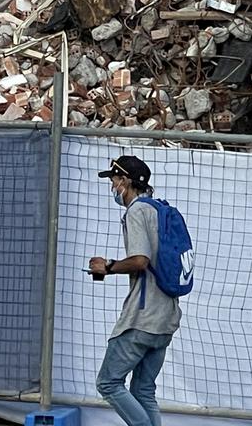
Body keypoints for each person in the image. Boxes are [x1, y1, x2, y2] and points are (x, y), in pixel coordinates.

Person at [90, 155, 181, 426]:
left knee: (108, 383)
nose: (113, 187)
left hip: (141, 319)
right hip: (166, 317)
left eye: (115, 181)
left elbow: (140, 260)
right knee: (143, 390)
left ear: (125, 182)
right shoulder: (160, 209)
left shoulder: (137, 211)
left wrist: (107, 266)